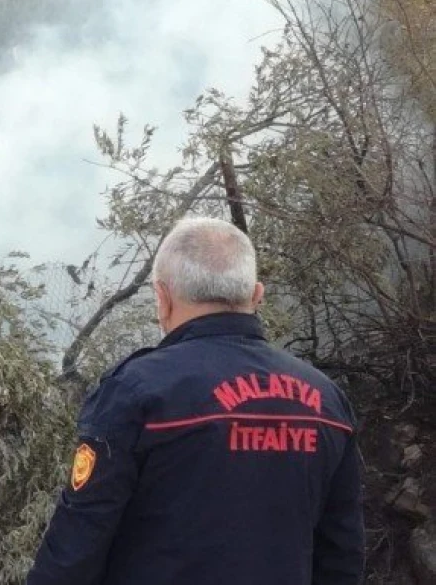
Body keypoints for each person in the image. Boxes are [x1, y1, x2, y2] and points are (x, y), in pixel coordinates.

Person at [26, 216, 365, 585]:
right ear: (256, 295)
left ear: (162, 296)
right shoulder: (327, 401)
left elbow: (75, 549)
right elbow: (342, 555)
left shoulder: (136, 391)